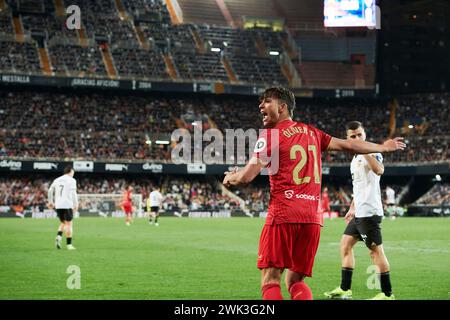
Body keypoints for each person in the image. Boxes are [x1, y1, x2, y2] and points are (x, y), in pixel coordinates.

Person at [223, 87, 406, 300]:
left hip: (284, 214)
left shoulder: (271, 135)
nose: (260, 106)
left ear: (282, 107)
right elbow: (349, 145)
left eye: (266, 102)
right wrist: (383, 147)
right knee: (295, 281)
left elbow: (246, 177)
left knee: (271, 279)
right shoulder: (312, 132)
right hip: (312, 219)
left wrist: (230, 177)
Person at [324, 121, 395, 300]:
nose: (357, 138)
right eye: (353, 137)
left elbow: (379, 170)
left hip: (369, 213)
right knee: (345, 245)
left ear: (365, 135)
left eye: (360, 135)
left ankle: (387, 294)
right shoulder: (354, 159)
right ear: (348, 139)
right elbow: (359, 188)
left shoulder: (372, 151)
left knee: (375, 252)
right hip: (359, 213)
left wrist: (364, 151)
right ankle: (345, 289)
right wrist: (352, 208)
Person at [47, 166, 78, 250]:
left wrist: (50, 202)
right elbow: (73, 193)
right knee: (69, 224)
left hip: (58, 205)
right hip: (67, 204)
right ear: (70, 171)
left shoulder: (57, 179)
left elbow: (50, 190)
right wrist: (76, 204)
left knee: (63, 222)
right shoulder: (72, 180)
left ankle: (58, 236)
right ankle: (69, 245)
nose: (73, 174)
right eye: (73, 173)